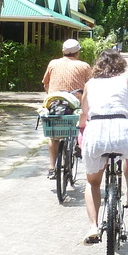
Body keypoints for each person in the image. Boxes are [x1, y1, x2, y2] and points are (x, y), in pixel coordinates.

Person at [77, 48, 128, 245]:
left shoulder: (90, 84)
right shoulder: (126, 82)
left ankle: (93, 226)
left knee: (93, 182)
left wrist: (81, 125)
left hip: (96, 132)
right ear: (120, 64)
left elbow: (84, 112)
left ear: (98, 65)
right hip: (122, 129)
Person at [42, 39, 91, 180]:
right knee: (81, 122)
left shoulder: (53, 63)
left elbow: (45, 84)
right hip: (75, 104)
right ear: (78, 52)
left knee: (53, 135)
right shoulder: (84, 66)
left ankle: (51, 168)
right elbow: (90, 86)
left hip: (55, 103)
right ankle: (78, 145)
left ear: (63, 51)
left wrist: (51, 96)